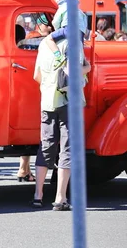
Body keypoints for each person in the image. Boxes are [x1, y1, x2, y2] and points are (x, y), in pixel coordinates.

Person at [31, 38, 90, 211]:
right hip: (68, 101)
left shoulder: (43, 44)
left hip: (47, 102)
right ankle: (60, 197)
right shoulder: (74, 43)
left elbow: (36, 75)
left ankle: (38, 195)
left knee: (46, 145)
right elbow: (74, 72)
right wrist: (88, 68)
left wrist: (48, 87)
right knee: (67, 147)